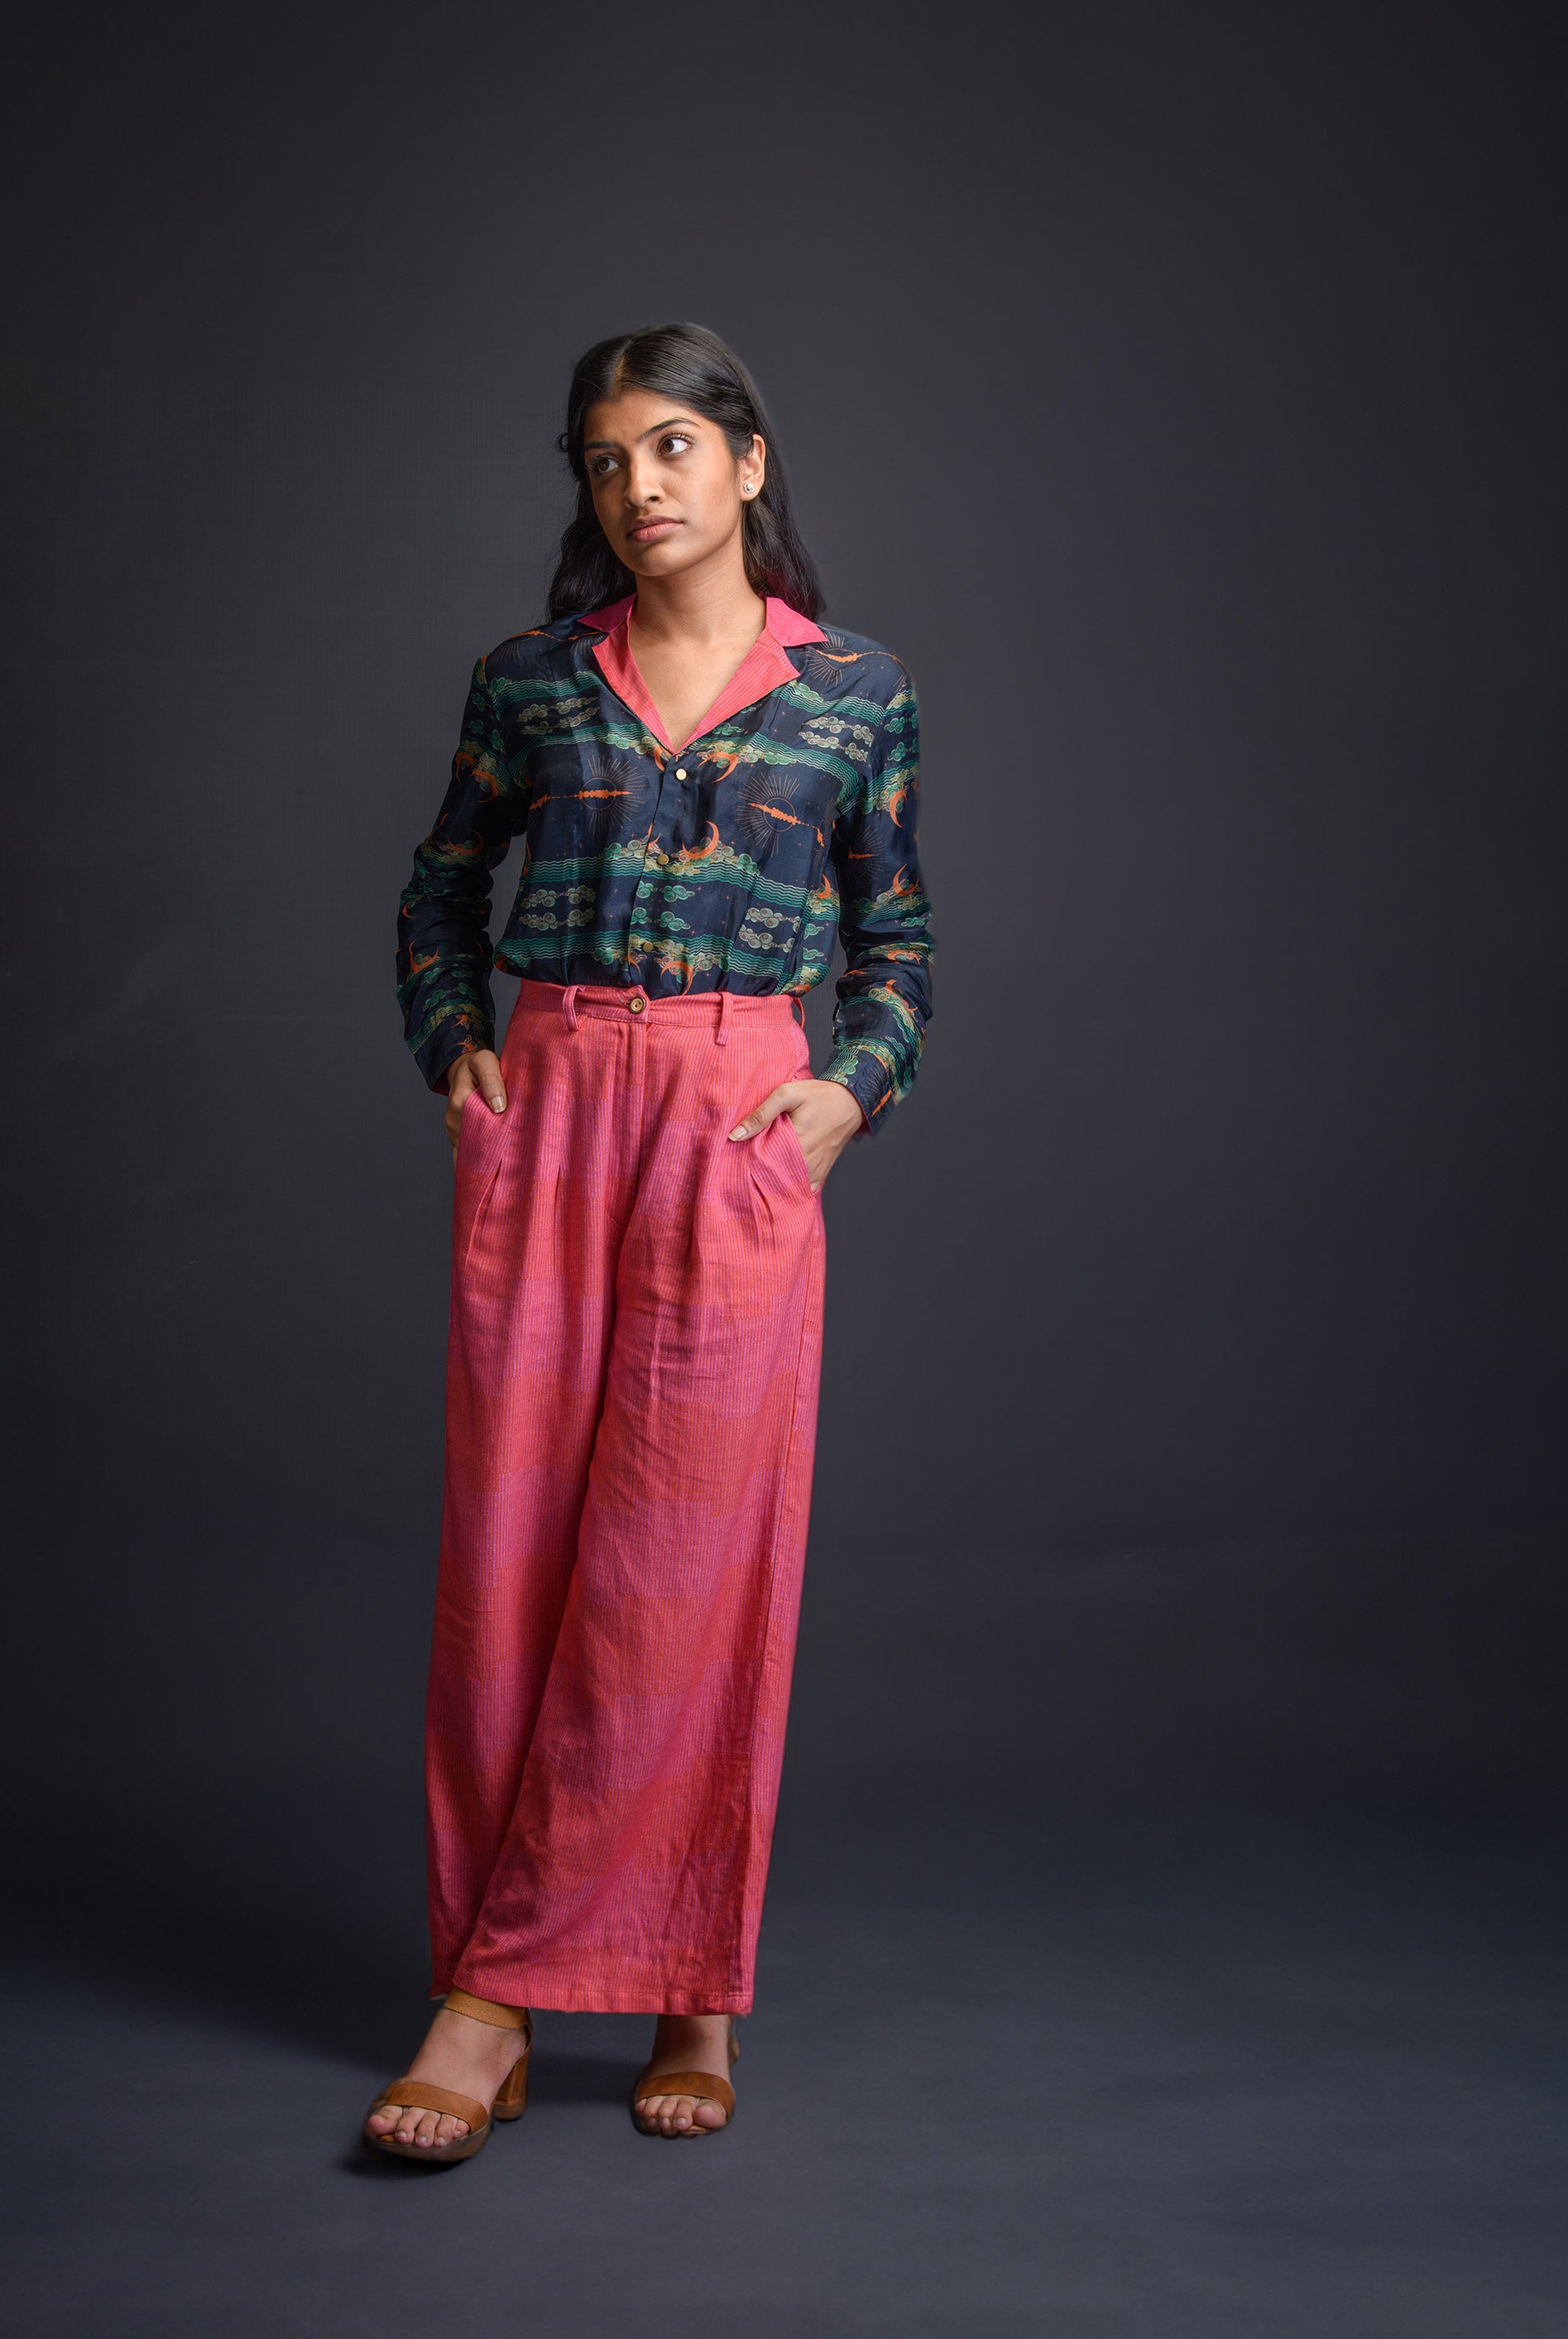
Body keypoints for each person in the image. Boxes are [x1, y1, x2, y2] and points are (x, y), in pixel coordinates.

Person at [367, 322, 934, 2159]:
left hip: (735, 1114)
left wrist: (846, 1091)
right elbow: (441, 887)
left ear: (748, 462)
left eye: (674, 446)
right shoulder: (531, 680)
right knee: (513, 1553)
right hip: (550, 1105)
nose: (640, 487)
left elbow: (898, 944)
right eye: (606, 461)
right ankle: (495, 1988)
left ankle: (695, 1977)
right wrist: (453, 1043)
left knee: (696, 1556)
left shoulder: (849, 690)